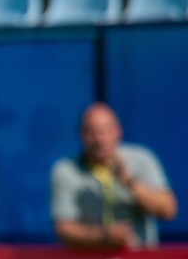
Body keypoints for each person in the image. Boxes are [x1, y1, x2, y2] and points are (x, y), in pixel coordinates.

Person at [50, 102, 178, 249]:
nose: (100, 139)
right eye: (92, 132)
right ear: (81, 134)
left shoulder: (142, 159)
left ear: (118, 131)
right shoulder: (65, 169)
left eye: (105, 131)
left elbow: (168, 209)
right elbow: (62, 228)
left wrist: (129, 182)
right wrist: (103, 236)